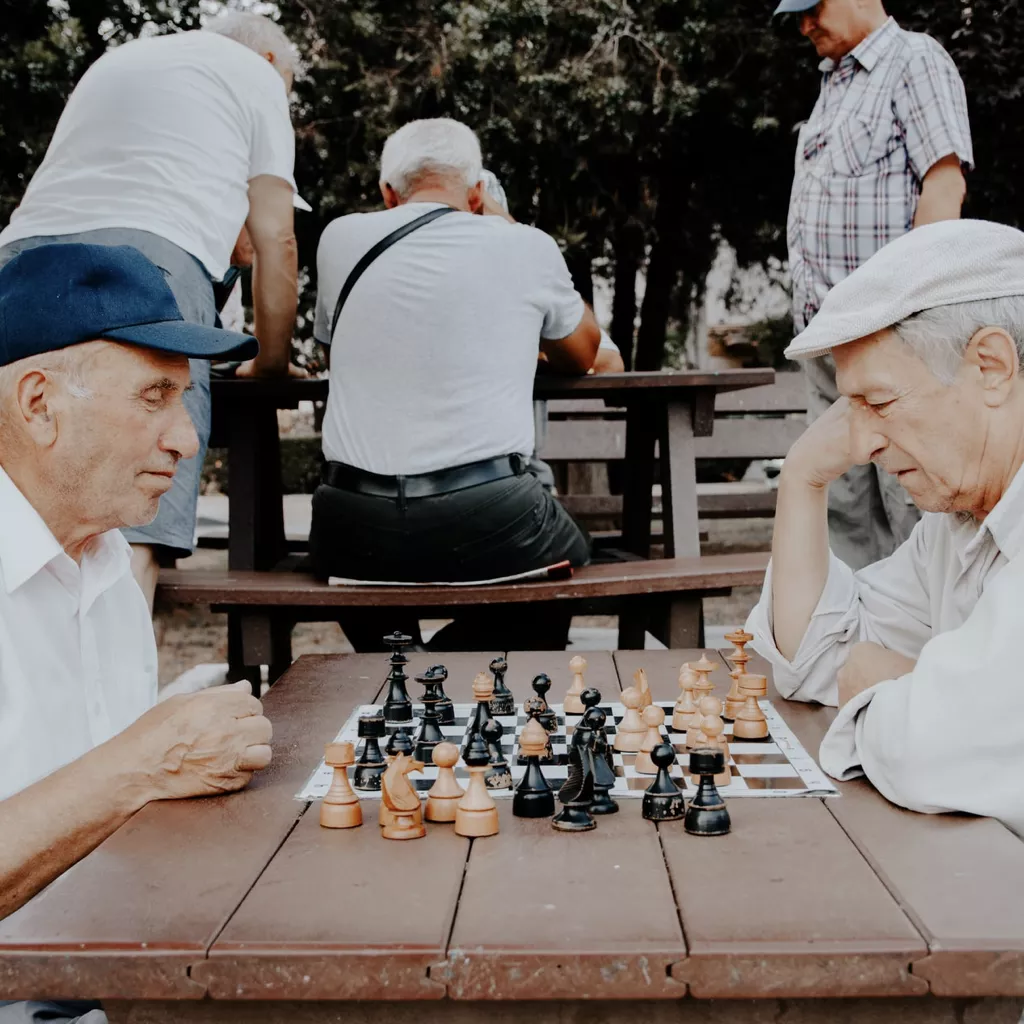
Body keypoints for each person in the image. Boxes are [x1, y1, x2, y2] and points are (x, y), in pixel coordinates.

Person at [0, 245, 274, 1023]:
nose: (188, 442)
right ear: (39, 403)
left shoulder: (106, 557)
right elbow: (129, 775)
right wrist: (144, 764)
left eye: (184, 401)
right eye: (155, 396)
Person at [0, 11, 303, 610]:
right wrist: (270, 363)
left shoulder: (124, 61)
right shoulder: (257, 74)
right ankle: (123, 697)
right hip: (149, 260)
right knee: (137, 496)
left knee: (20, 497)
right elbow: (277, 239)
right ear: (272, 64)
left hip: (21, 256)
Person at [746, 218, 1024, 839]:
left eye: (879, 402)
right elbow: (815, 661)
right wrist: (800, 481)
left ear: (990, 367)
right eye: (851, 409)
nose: (862, 441)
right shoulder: (957, 524)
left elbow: (934, 753)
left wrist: (896, 687)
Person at [310, 118, 601, 652]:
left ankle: (397, 656)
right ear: (476, 193)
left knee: (351, 557)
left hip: (350, 522)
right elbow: (583, 353)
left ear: (386, 193)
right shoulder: (523, 245)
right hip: (488, 511)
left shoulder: (338, 238)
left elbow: (336, 347)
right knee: (571, 559)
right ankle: (441, 665)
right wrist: (507, 223)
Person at [776, 0, 973, 569]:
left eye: (812, 8)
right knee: (841, 507)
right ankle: (854, 649)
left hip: (889, 334)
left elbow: (943, 186)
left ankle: (923, 652)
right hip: (826, 338)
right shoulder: (834, 82)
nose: (804, 24)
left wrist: (908, 315)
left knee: (910, 500)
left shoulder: (914, 60)